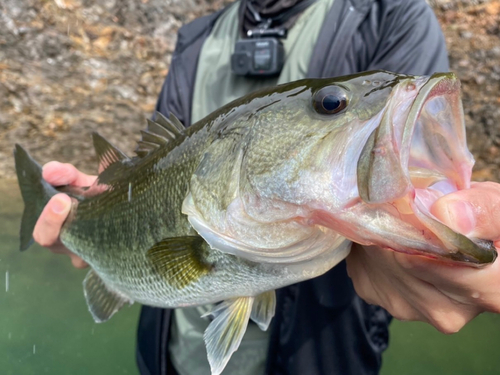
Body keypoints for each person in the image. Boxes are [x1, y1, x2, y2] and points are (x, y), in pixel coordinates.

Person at [33, 0, 500, 374]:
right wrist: (95, 223)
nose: (336, 106)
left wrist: (411, 243)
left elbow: (399, 178)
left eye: (330, 103)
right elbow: (154, 165)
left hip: (322, 358)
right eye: (333, 104)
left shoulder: (389, 15)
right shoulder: (194, 40)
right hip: (170, 356)